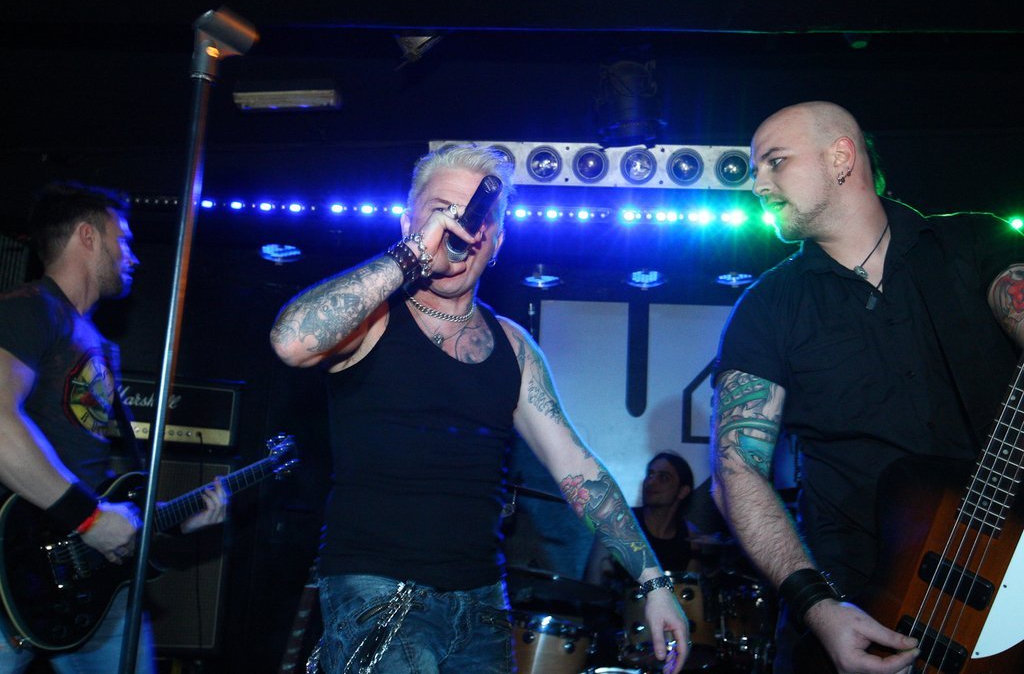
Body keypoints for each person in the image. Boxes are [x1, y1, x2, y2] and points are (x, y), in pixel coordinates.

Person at [269, 144, 689, 674]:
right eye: (442, 211)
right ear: (409, 223)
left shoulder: (513, 347)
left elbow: (577, 469)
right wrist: (412, 256)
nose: (461, 229)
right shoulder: (372, 320)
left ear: (497, 241)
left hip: (482, 606)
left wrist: (654, 582)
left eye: (476, 218)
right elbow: (291, 341)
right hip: (376, 590)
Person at [710, 100, 1024, 674]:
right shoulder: (767, 307)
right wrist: (818, 607)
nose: (758, 185)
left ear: (841, 157)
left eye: (775, 162)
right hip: (852, 606)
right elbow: (737, 472)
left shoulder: (975, 242)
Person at [0, 182, 229, 673]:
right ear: (87, 236)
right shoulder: (28, 309)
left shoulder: (98, 343)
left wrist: (169, 520)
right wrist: (88, 519)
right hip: (12, 566)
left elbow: (91, 475)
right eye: (122, 239)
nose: (134, 257)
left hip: (91, 581)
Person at [586, 451, 699, 587]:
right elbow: (592, 585)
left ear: (683, 491)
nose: (651, 482)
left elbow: (691, 590)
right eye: (650, 474)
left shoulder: (691, 535)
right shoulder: (617, 522)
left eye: (664, 477)